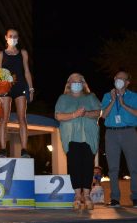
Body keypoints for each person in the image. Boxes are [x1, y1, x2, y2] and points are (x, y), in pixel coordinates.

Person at [55, 73, 101, 210]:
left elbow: (98, 112)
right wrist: (74, 115)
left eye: (79, 81)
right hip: (71, 137)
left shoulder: (90, 97)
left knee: (87, 165)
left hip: (88, 137)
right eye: (73, 81)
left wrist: (86, 113)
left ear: (83, 83)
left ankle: (87, 195)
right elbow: (58, 115)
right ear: (68, 84)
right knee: (74, 166)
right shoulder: (63, 98)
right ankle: (77, 195)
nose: (76, 83)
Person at [101, 70, 137, 208]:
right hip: (111, 133)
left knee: (134, 167)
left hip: (129, 132)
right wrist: (113, 100)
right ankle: (115, 198)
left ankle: (135, 197)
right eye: (117, 77)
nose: (119, 80)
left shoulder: (133, 96)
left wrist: (122, 104)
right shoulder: (106, 96)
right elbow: (103, 115)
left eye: (122, 78)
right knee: (113, 168)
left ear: (127, 82)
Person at [0, 28, 34, 158]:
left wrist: (31, 88)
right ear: (6, 38)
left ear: (18, 38)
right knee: (3, 118)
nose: (13, 38)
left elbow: (27, 71)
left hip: (20, 87)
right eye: (10, 36)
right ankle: (2, 150)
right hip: (6, 88)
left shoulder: (23, 53)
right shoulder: (0, 54)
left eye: (15, 36)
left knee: (22, 118)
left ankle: (24, 150)